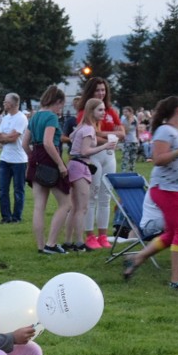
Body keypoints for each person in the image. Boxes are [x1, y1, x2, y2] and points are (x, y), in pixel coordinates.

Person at [123, 96, 178, 291]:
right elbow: (158, 159)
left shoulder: (177, 132)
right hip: (167, 190)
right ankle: (176, 280)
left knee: (174, 233)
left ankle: (137, 258)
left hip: (177, 189)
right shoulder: (164, 130)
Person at [75, 77, 125, 250]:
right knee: (92, 196)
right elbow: (90, 134)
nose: (101, 93)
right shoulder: (84, 112)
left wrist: (102, 134)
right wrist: (109, 134)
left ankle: (103, 235)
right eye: (97, 90)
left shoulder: (110, 110)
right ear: (90, 92)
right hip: (93, 156)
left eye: (103, 90)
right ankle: (90, 235)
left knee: (106, 197)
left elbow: (122, 132)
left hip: (109, 155)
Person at [22, 86, 71, 254]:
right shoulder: (51, 117)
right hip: (49, 159)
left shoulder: (35, 117)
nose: (60, 110)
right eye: (61, 105)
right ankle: (51, 244)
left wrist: (32, 157)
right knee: (66, 203)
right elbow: (48, 142)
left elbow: (24, 143)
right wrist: (60, 164)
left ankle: (41, 246)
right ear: (57, 102)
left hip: (36, 158)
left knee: (39, 206)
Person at [66, 99, 117, 251]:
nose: (103, 113)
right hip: (81, 166)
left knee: (75, 207)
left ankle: (69, 241)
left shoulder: (83, 127)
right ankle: (80, 242)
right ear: (91, 111)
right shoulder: (89, 129)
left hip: (74, 165)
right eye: (100, 110)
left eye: (103, 109)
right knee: (82, 207)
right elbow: (84, 151)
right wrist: (105, 146)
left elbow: (71, 137)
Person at [0, 93, 29, 224]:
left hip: (19, 160)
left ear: (14, 104)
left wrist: (5, 137)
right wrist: (6, 137)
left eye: (6, 102)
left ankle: (16, 217)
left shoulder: (21, 118)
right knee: (3, 190)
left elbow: (14, 137)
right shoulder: (5, 118)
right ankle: (6, 216)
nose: (4, 103)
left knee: (18, 190)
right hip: (4, 159)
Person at [120, 106, 140, 173]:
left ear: (130, 112)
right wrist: (129, 123)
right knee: (125, 157)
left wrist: (138, 140)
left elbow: (137, 129)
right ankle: (123, 172)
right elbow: (125, 132)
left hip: (134, 141)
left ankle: (131, 172)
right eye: (124, 112)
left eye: (126, 112)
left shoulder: (135, 118)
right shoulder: (123, 120)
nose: (124, 113)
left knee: (133, 158)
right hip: (127, 141)